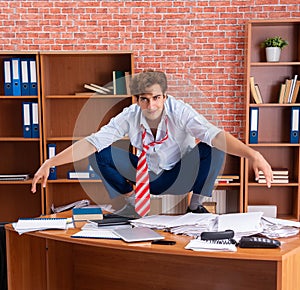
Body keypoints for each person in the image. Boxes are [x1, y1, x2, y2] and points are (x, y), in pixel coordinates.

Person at [31, 71, 273, 218]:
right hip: (147, 179)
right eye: (144, 100)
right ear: (137, 100)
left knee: (214, 145)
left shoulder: (180, 111)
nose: (151, 106)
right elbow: (92, 142)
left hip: (182, 174)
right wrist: (51, 162)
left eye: (156, 98)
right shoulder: (129, 115)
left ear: (165, 97)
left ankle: (196, 207)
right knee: (100, 152)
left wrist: (253, 155)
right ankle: (132, 204)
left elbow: (215, 134)